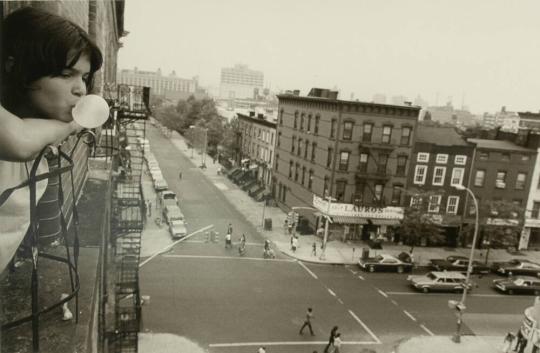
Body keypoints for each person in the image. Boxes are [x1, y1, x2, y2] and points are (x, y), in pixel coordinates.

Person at [0, 7, 103, 272]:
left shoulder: (43, 136)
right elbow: (19, 141)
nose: (81, 89)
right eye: (66, 74)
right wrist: (72, 124)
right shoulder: (25, 137)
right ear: (16, 67)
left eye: (84, 76)